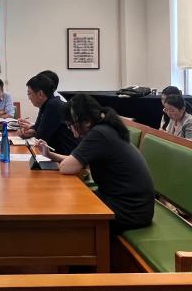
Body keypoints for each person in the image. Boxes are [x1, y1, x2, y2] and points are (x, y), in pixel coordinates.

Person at [35, 94, 154, 233]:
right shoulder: (106, 127)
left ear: (85, 122)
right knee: (71, 202)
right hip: (130, 203)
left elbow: (67, 167)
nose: (71, 130)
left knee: (67, 213)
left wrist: (57, 159)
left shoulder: (99, 133)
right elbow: (77, 161)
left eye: (70, 125)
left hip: (130, 210)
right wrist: (50, 155)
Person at [18, 73, 77, 155]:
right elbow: (37, 127)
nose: (29, 98)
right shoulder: (46, 104)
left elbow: (41, 136)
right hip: (55, 152)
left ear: (40, 94)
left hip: (65, 154)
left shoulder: (53, 105)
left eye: (29, 93)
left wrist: (31, 132)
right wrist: (28, 132)